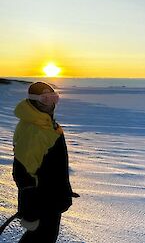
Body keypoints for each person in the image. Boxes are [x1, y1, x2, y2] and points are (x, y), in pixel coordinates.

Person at [12, 82, 79, 243]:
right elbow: (22, 172)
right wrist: (30, 208)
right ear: (34, 101)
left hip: (52, 198)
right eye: (45, 99)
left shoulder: (46, 124)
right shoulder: (34, 130)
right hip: (42, 204)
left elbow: (53, 165)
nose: (51, 103)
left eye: (53, 98)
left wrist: (64, 190)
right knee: (41, 239)